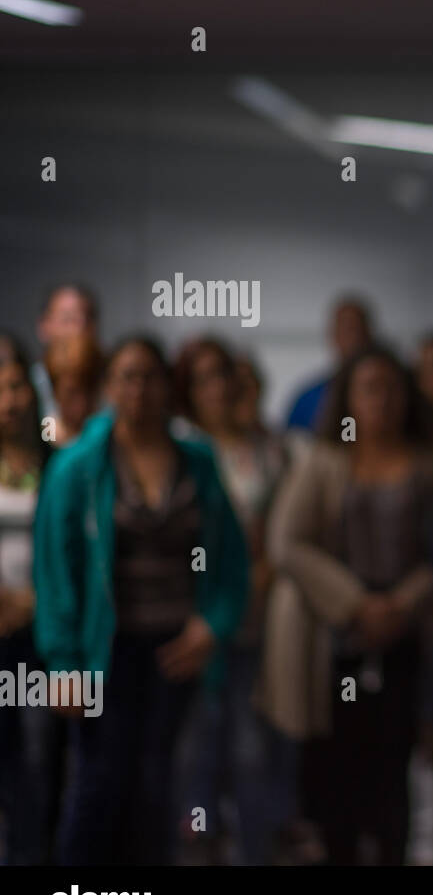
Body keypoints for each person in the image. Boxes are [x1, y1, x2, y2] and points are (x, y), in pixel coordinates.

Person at [33, 335, 248, 865]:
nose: (139, 388)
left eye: (150, 376)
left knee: (158, 786)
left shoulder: (196, 460)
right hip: (104, 650)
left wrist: (211, 625)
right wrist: (63, 663)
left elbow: (230, 558)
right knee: (97, 785)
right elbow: (56, 572)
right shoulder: (79, 466)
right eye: (126, 376)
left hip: (176, 648)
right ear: (109, 385)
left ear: (167, 386)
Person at [262, 345, 433, 865]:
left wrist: (399, 605)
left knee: (394, 774)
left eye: (391, 387)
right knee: (334, 776)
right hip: (334, 636)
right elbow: (286, 542)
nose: (381, 399)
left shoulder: (429, 464)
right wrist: (356, 602)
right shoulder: (323, 460)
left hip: (404, 636)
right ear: (347, 398)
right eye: (368, 387)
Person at [171, 337, 289, 864]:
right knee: (194, 747)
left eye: (224, 376)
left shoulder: (268, 449)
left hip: (256, 615)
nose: (217, 388)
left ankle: (255, 851)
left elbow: (284, 528)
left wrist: (265, 564)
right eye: (204, 379)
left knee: (251, 746)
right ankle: (196, 846)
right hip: (193, 616)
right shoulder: (179, 446)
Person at [0, 335, 56, 864]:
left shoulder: (58, 465)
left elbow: (74, 556)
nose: (8, 399)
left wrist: (34, 601)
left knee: (37, 761)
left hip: (40, 634)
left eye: (16, 385)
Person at [283, 296, 374, 433]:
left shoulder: (389, 395)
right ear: (333, 335)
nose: (353, 338)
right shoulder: (308, 399)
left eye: (357, 329)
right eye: (346, 330)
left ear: (369, 334)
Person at [31, 283, 98, 422]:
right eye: (68, 319)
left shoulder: (112, 385)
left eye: (87, 319)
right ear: (44, 325)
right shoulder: (27, 385)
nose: (79, 328)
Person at [42, 330, 103, 446]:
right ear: (54, 391)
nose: (82, 404)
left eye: (89, 391)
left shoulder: (112, 434)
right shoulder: (46, 436)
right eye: (71, 394)